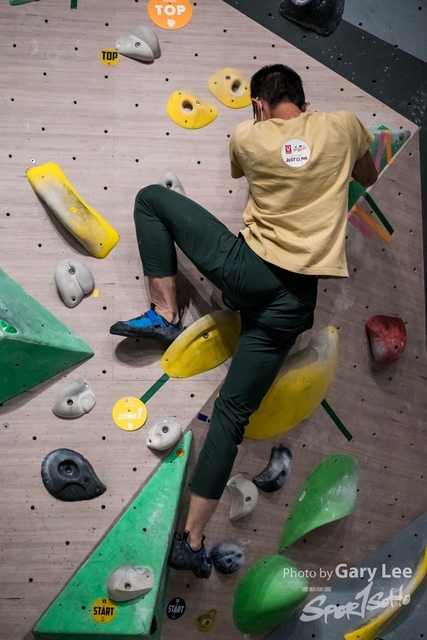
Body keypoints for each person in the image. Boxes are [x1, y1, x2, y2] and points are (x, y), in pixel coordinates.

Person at [110, 64, 378, 578]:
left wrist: (268, 133)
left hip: (247, 271)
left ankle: (165, 314)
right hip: (293, 303)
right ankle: (190, 541)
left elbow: (251, 165)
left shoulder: (248, 136)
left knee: (151, 199)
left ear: (258, 103)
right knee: (231, 419)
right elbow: (365, 175)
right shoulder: (344, 126)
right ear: (304, 100)